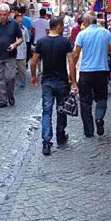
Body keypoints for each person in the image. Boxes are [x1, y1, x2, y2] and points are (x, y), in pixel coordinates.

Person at [31, 17, 78, 156]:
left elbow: (34, 62)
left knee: (46, 110)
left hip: (47, 81)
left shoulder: (41, 42)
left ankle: (46, 141)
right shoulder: (65, 42)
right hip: (62, 81)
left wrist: (34, 76)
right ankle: (60, 135)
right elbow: (71, 63)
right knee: (61, 109)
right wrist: (73, 81)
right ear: (58, 26)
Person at [71, 14, 111, 138]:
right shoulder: (106, 33)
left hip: (86, 72)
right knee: (101, 98)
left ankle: (89, 130)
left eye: (83, 21)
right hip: (102, 71)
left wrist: (72, 72)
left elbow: (75, 55)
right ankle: (99, 118)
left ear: (86, 21)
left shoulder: (82, 34)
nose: (82, 23)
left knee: (85, 101)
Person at [0, 3, 23, 108]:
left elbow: (21, 38)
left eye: (4, 14)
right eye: (1, 14)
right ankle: (3, 100)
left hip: (10, 55)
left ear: (8, 14)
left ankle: (10, 94)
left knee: (10, 77)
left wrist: (14, 44)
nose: (2, 17)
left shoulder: (15, 24)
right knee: (0, 79)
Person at [14, 13, 29, 88]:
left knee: (22, 69)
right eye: (18, 21)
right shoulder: (11, 29)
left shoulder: (25, 29)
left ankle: (23, 81)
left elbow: (26, 39)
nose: (19, 23)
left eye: (21, 21)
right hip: (13, 52)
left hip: (22, 52)